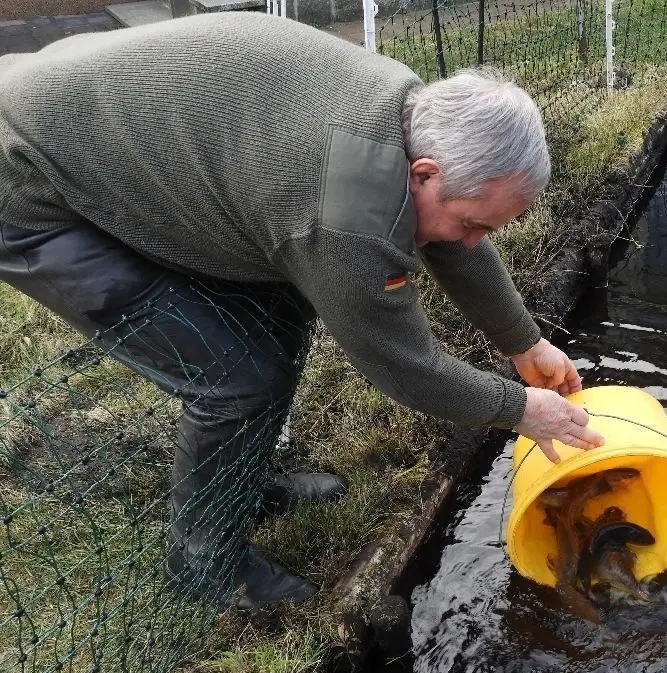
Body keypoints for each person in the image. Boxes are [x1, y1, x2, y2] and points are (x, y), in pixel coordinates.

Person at [0, 12, 604, 610]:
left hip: (113, 124)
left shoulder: (409, 113)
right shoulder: (348, 210)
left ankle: (239, 485)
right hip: (28, 181)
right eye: (474, 223)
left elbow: (456, 239)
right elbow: (404, 366)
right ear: (423, 173)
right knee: (234, 379)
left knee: (278, 318)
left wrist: (525, 343)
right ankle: (202, 566)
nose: (474, 240)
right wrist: (520, 409)